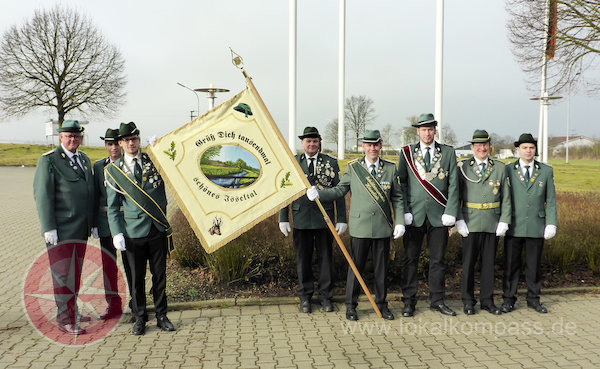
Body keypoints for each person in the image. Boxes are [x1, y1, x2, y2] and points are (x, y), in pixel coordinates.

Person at [307, 129, 405, 321]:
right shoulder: (353, 168)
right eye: (369, 145)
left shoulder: (391, 169)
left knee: (381, 269)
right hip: (360, 226)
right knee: (355, 268)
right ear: (363, 147)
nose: (372, 149)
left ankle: (382, 305)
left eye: (376, 145)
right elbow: (339, 190)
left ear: (380, 145)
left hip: (382, 226)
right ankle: (351, 306)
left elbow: (398, 198)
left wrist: (400, 221)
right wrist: (320, 193)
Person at [105, 122, 175, 335]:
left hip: (156, 228)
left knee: (159, 275)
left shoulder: (153, 161)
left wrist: (161, 147)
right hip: (132, 232)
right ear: (120, 143)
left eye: (134, 139)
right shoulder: (113, 171)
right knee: (136, 279)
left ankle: (162, 315)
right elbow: (113, 207)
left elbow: (174, 161)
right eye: (126, 140)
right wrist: (116, 232)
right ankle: (140, 317)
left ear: (139, 140)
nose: (131, 143)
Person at [33, 120, 94, 335]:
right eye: (68, 136)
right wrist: (48, 226)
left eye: (76, 137)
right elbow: (43, 195)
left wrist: (92, 223)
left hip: (80, 229)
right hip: (61, 231)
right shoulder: (49, 161)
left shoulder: (84, 160)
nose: (73, 140)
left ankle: (73, 311)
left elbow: (89, 194)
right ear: (60, 137)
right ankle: (64, 319)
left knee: (75, 274)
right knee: (62, 276)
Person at [396, 113, 460, 317]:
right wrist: (405, 211)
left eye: (430, 129)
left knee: (438, 261)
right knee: (410, 260)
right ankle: (408, 302)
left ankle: (437, 301)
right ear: (418, 132)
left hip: (439, 216)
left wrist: (451, 212)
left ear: (435, 131)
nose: (427, 133)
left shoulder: (448, 153)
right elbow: (402, 184)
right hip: (414, 216)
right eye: (423, 129)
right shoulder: (406, 153)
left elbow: (453, 185)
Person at [279, 127, 347, 313]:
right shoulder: (294, 162)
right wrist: (283, 217)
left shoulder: (330, 163)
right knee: (303, 260)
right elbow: (285, 190)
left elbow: (339, 193)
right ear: (302, 143)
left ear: (319, 143)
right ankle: (305, 297)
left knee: (325, 259)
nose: (312, 144)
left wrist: (342, 218)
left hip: (324, 219)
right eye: (308, 141)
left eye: (315, 141)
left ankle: (326, 297)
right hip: (301, 218)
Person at [455, 130, 511, 315]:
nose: (482, 148)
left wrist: (504, 220)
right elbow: (455, 196)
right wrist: (459, 220)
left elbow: (506, 198)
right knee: (469, 264)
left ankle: (487, 301)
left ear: (489, 146)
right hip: (470, 221)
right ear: (472, 147)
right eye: (478, 145)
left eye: (485, 145)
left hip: (492, 222)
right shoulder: (463, 168)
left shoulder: (500, 168)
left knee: (489, 264)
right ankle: (468, 301)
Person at [501, 133, 557, 314]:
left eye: (531, 148)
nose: (528, 151)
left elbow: (551, 199)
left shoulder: (546, 171)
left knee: (533, 266)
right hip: (514, 225)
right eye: (524, 147)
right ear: (518, 149)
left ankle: (533, 299)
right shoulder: (508, 169)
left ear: (535, 150)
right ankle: (509, 299)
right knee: (511, 266)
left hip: (535, 225)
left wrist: (552, 223)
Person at [92, 128, 135, 321]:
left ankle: (136, 302)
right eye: (109, 144)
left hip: (128, 222)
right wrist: (94, 223)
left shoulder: (130, 165)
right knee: (108, 265)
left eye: (116, 143)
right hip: (105, 223)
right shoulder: (98, 166)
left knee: (132, 263)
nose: (113, 148)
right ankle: (113, 304)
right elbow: (95, 197)